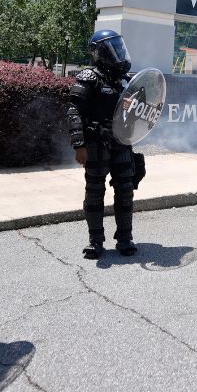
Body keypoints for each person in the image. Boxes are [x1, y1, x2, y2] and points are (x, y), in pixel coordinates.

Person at [67, 30, 145, 260]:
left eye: (118, 46)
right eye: (112, 48)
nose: (118, 52)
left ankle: (124, 238)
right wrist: (78, 145)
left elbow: (140, 114)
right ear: (98, 52)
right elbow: (74, 111)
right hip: (96, 144)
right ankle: (95, 241)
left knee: (125, 192)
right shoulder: (88, 77)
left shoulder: (125, 81)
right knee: (94, 193)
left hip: (121, 144)